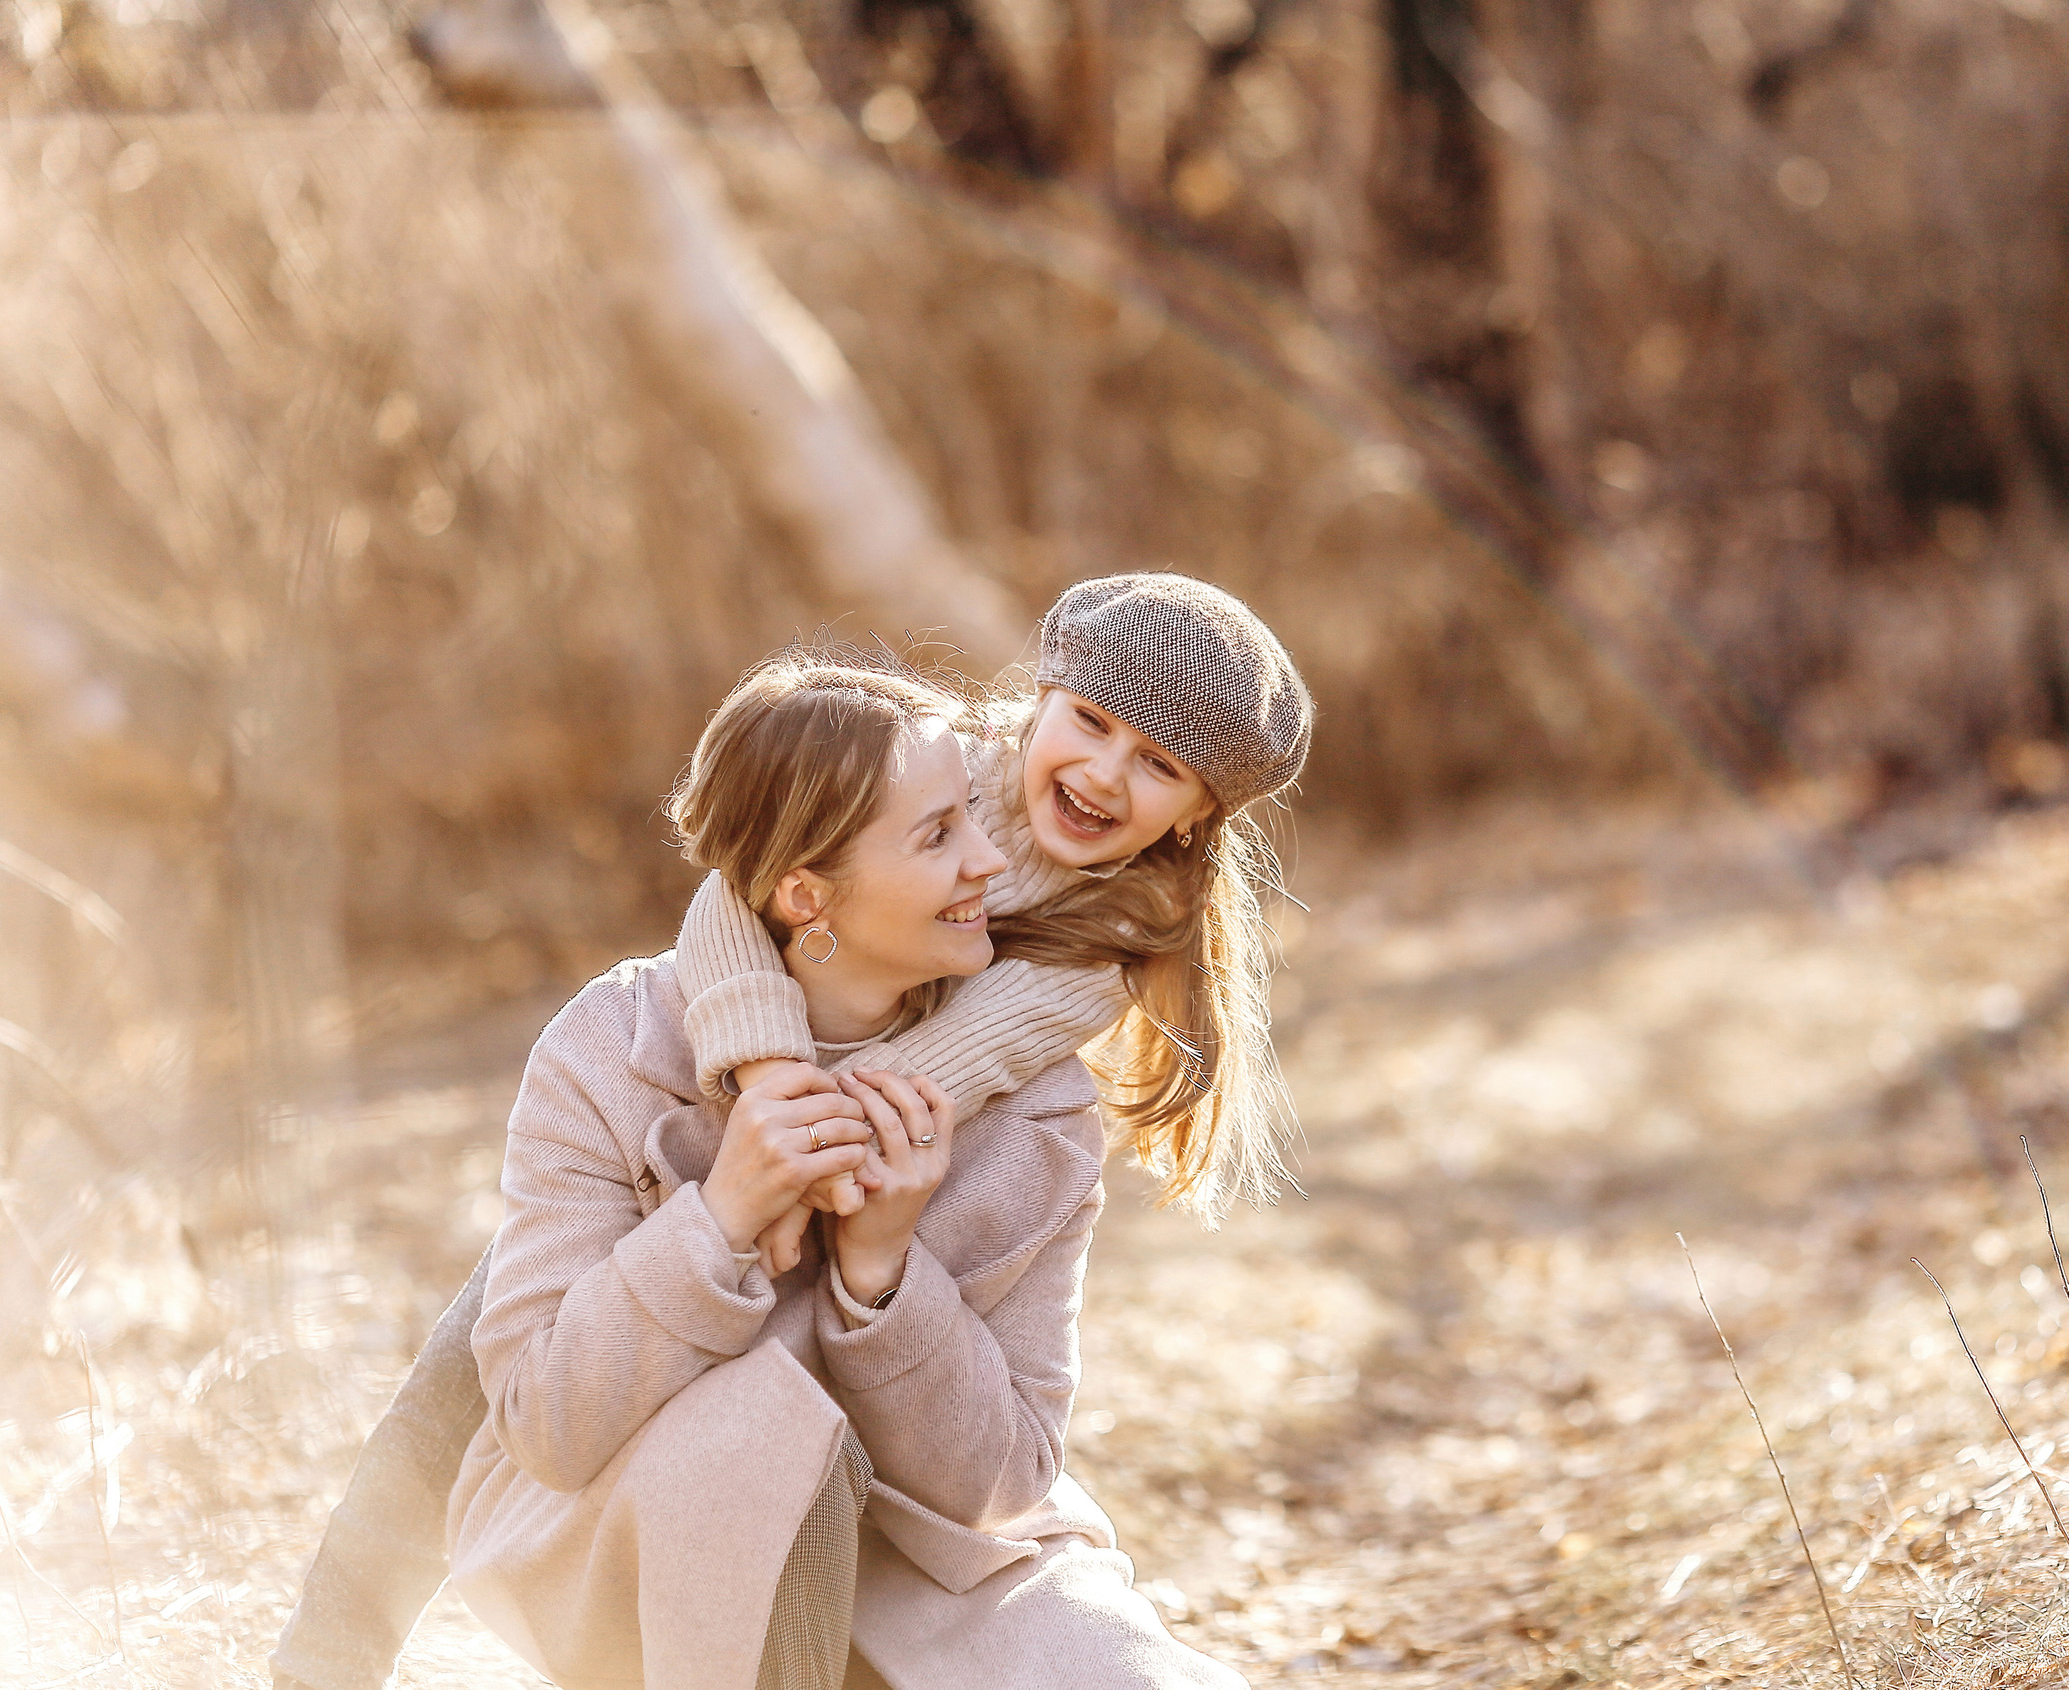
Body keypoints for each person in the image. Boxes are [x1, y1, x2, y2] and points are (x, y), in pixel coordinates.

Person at [273, 575, 1314, 1690]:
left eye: (1158, 765)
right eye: (1094, 724)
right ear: (1045, 693)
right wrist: (768, 1073)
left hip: (885, 1214)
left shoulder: (1102, 954)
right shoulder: (923, 757)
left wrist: (859, 1168)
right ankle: (329, 1650)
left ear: (1199, 811)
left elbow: (962, 1078)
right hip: (729, 1094)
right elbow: (739, 892)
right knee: (498, 1335)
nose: (1105, 773)